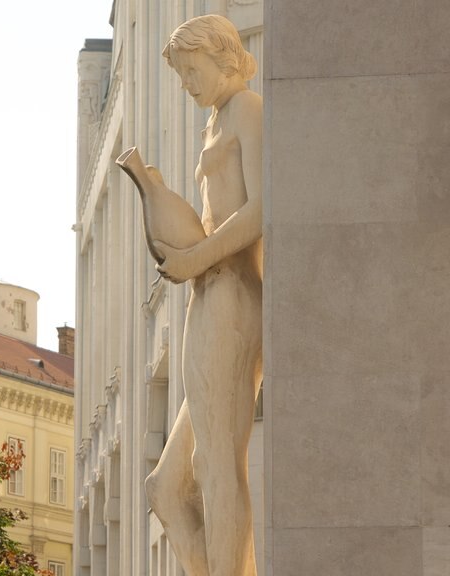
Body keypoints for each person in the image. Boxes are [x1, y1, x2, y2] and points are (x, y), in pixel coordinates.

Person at [142, 15, 263, 576]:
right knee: (165, 488)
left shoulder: (249, 110)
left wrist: (195, 256)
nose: (188, 83)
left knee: (217, 464)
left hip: (234, 296)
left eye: (193, 70)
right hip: (206, 296)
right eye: (182, 73)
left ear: (223, 58)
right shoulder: (215, 122)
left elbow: (264, 209)